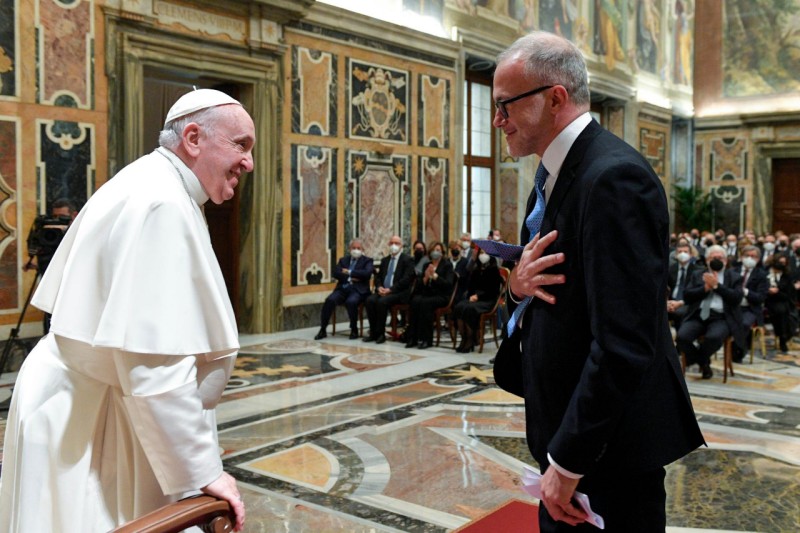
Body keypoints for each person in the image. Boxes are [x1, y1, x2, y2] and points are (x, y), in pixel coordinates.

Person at [0, 89, 252, 532]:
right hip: (92, 417)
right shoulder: (162, 203)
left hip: (86, 402)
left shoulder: (155, 183)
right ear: (193, 138)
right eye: (241, 145)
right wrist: (203, 471)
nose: (248, 163)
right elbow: (153, 364)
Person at [490, 32, 703, 532]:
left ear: (555, 98)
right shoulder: (554, 175)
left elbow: (626, 341)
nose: (497, 121)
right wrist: (517, 286)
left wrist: (568, 461)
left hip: (607, 452)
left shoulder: (613, 178)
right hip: (570, 432)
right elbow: (552, 288)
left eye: (505, 106)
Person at [675, 245, 745, 379]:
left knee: (713, 337)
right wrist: (705, 288)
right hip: (698, 314)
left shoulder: (734, 276)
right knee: (682, 337)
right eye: (714, 257)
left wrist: (717, 286)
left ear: (725, 260)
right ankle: (704, 362)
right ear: (707, 259)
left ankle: (700, 361)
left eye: (720, 258)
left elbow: (736, 298)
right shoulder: (697, 274)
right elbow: (687, 295)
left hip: (721, 317)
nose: (717, 260)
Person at [23, 197, 79, 334]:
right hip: (51, 298)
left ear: (74, 215)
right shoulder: (47, 234)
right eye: (54, 217)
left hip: (73, 294)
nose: (56, 222)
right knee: (49, 315)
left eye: (62, 218)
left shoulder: (80, 233)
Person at [314, 239, 374, 340]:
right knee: (330, 300)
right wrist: (351, 277)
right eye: (354, 248)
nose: (356, 250)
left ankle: (354, 329)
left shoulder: (367, 261)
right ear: (349, 249)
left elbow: (366, 274)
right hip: (342, 288)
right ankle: (323, 329)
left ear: (363, 249)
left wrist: (349, 272)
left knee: (351, 302)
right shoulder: (343, 260)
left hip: (358, 290)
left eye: (358, 248)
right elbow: (336, 273)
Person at [363, 235, 415, 344]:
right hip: (384, 291)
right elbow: (379, 277)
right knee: (369, 300)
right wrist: (379, 287)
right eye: (391, 243)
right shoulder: (385, 260)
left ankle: (381, 334)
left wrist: (390, 290)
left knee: (382, 302)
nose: (393, 246)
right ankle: (373, 332)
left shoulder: (408, 260)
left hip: (399, 293)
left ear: (401, 246)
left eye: (396, 243)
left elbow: (406, 280)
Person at [404, 241, 454, 349]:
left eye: (438, 250)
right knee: (415, 300)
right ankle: (413, 337)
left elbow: (448, 285)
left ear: (442, 252)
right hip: (427, 294)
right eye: (434, 250)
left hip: (442, 296)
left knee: (426, 303)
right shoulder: (427, 264)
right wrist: (426, 278)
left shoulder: (447, 265)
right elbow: (421, 284)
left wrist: (435, 276)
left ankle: (427, 339)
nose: (435, 252)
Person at [453, 250, 503, 353]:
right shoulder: (476, 270)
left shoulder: (494, 270)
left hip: (488, 300)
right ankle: (464, 338)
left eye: (485, 253)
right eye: (481, 253)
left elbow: (494, 291)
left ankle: (471, 340)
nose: (483, 255)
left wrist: (478, 297)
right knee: (459, 306)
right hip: (474, 298)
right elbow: (471, 287)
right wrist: (472, 295)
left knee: (469, 308)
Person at [731, 245, 769, 362]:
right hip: (733, 306)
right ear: (741, 257)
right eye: (747, 256)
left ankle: (739, 350)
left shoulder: (762, 275)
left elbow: (760, 298)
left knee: (744, 324)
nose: (749, 258)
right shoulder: (733, 271)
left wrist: (746, 292)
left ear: (758, 259)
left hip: (750, 308)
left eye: (753, 256)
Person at [765, 255, 799, 353]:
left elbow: (788, 294)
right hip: (768, 300)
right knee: (780, 310)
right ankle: (782, 336)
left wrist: (777, 292)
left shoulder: (787, 276)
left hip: (783, 300)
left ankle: (783, 336)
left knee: (784, 311)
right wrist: (768, 291)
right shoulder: (765, 273)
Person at [666, 241, 698, 329]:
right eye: (680, 252)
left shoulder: (697, 270)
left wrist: (680, 303)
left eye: (685, 252)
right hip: (671, 301)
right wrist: (667, 302)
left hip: (687, 302)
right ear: (676, 255)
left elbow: (696, 292)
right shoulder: (670, 269)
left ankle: (680, 338)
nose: (682, 254)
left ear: (691, 254)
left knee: (680, 313)